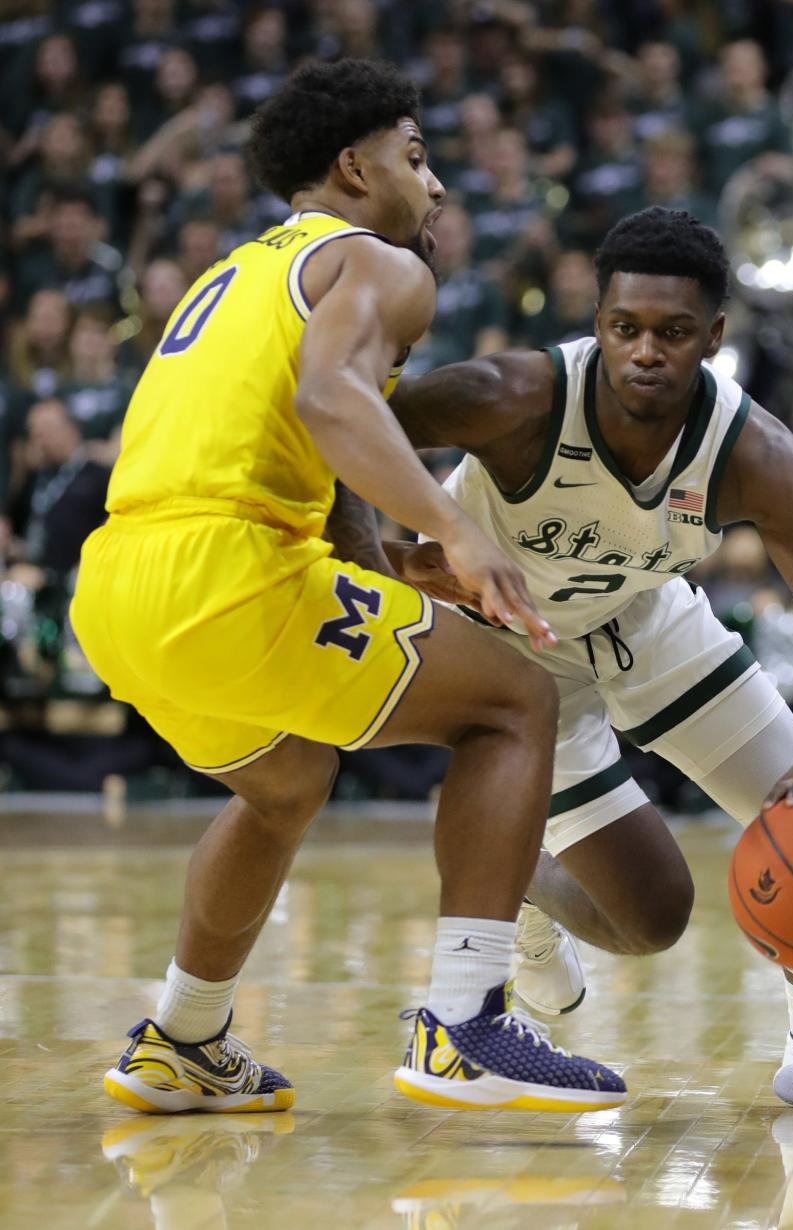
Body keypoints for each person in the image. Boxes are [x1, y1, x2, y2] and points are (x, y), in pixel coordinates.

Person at [70, 59, 625, 1117]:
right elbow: (331, 400)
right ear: (355, 166)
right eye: (418, 158)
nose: (439, 186)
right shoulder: (377, 262)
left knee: (286, 785)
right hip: (230, 570)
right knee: (517, 703)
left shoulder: (231, 271)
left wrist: (388, 569)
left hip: (120, 588)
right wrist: (458, 531)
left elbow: (302, 450)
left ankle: (184, 1039)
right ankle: (464, 1024)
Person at [389, 207, 793, 1116]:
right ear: (597, 321)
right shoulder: (512, 397)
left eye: (674, 332)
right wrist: (387, 553)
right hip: (520, 655)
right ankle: (514, 877)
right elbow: (333, 428)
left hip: (643, 618)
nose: (647, 351)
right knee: (650, 919)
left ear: (714, 336)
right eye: (626, 328)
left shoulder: (753, 450)